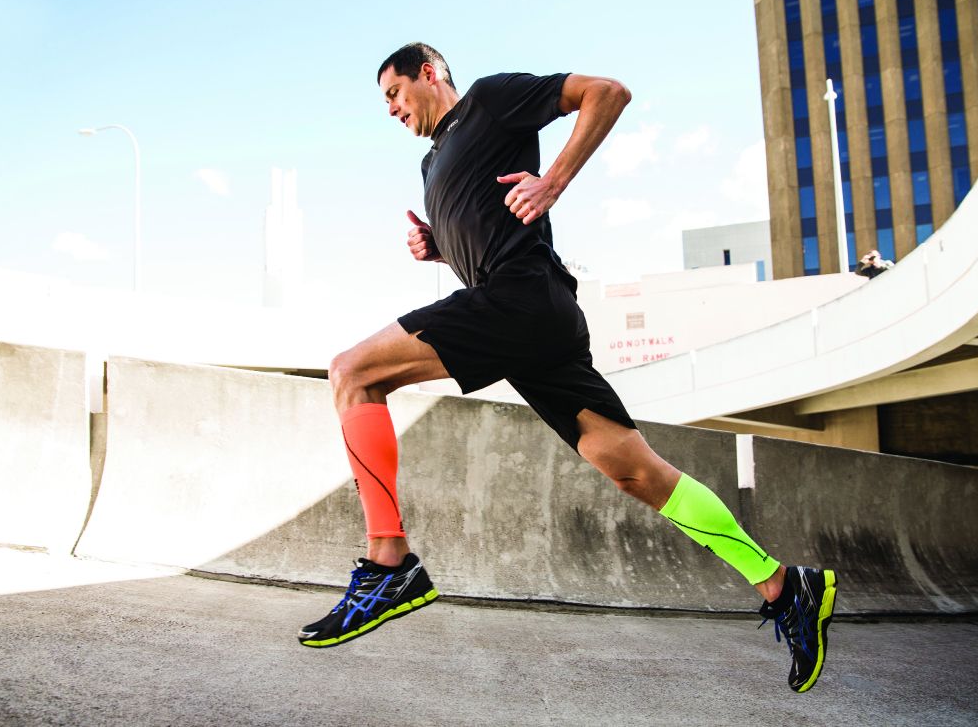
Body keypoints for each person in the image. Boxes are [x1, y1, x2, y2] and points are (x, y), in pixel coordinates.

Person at [296, 42, 838, 694]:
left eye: (392, 93)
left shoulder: (490, 101)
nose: (389, 109)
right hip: (534, 319)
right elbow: (487, 233)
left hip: (520, 299)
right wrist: (437, 250)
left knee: (354, 372)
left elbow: (606, 91)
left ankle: (390, 563)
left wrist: (553, 181)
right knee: (637, 473)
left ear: (430, 73)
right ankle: (785, 585)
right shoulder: (432, 160)